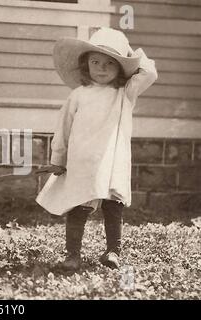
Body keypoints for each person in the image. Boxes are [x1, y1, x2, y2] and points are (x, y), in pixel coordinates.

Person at [36, 27, 158, 271]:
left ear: (121, 69)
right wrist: (58, 159)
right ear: (86, 65)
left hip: (112, 161)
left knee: (113, 206)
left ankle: (113, 251)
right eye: (95, 62)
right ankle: (72, 255)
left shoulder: (124, 93)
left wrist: (130, 57)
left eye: (110, 63)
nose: (101, 68)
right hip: (82, 162)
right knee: (78, 206)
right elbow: (63, 129)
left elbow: (149, 73)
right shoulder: (78, 95)